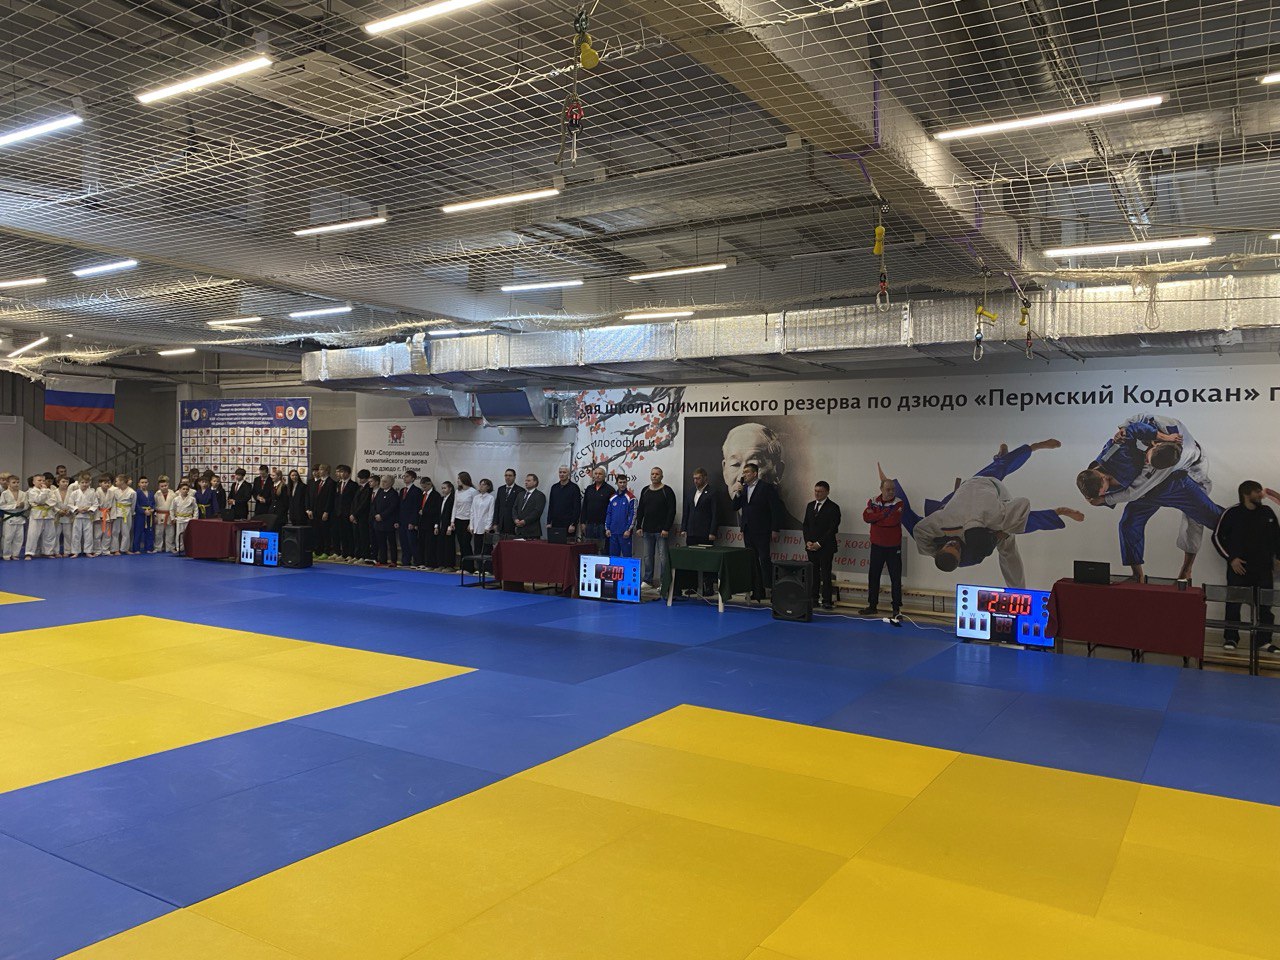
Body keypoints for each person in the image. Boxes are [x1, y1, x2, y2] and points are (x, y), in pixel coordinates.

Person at [900, 440, 1084, 588]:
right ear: (961, 553)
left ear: (941, 548)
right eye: (956, 548)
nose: (953, 543)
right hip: (985, 501)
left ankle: (1012, 455)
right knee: (1009, 544)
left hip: (982, 486)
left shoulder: (944, 522)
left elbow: (918, 530)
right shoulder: (990, 527)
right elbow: (1022, 518)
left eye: (949, 545)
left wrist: (932, 552)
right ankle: (1018, 590)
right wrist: (1002, 533)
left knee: (1002, 469)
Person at [1077, 414, 1220, 582]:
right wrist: (1123, 428)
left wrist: (1104, 500)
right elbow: (1136, 423)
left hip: (1183, 477)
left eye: (1148, 461)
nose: (1146, 462)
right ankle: (1137, 575)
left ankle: (1187, 570)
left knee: (1208, 518)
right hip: (1152, 485)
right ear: (1154, 443)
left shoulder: (1161, 464)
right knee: (1129, 524)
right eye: (1147, 459)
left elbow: (1134, 491)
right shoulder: (1120, 450)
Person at [1216, 480, 1280, 653]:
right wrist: (1231, 559)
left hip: (1264, 570)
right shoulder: (1232, 513)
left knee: (1265, 607)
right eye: (1257, 491)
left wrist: (1278, 558)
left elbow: (1277, 537)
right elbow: (1217, 537)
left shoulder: (1267, 512)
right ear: (1246, 493)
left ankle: (1264, 641)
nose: (1261, 494)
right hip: (1239, 569)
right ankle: (1231, 638)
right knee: (1233, 605)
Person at [721, 423, 802, 529]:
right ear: (724, 471)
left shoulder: (795, 528)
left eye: (753, 464)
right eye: (735, 464)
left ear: (778, 470)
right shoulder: (722, 523)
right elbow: (735, 506)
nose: (742, 475)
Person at [732, 462, 782, 600]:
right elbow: (734, 507)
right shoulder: (744, 489)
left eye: (747, 472)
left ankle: (772, 590)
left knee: (764, 560)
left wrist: (775, 529)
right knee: (752, 561)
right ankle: (757, 590)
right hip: (748, 530)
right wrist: (738, 493)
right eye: (744, 472)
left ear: (755, 473)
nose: (744, 475)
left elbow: (775, 509)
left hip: (762, 529)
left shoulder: (766, 488)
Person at [861, 470, 905, 620]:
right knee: (873, 576)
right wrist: (883, 514)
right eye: (888, 489)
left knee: (895, 578)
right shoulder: (873, 500)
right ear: (881, 489)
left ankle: (896, 609)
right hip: (877, 545)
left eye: (893, 489)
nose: (891, 492)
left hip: (893, 547)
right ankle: (872, 606)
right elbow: (866, 517)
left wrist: (876, 517)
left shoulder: (899, 502)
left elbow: (892, 521)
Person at [635, 466, 677, 589]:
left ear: (661, 476)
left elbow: (672, 511)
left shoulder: (667, 491)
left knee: (663, 557)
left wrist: (666, 528)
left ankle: (664, 582)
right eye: (652, 474)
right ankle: (648, 580)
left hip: (661, 531)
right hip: (647, 530)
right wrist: (638, 526)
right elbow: (640, 510)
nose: (654, 476)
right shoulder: (645, 490)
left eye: (657, 474)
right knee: (647, 557)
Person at [803, 481, 842, 610]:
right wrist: (808, 541)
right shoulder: (810, 506)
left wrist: (819, 543)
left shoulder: (833, 507)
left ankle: (827, 600)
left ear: (827, 492)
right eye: (815, 491)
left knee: (825, 574)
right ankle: (813, 598)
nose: (817, 494)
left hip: (826, 546)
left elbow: (832, 529)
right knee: (813, 573)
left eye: (820, 491)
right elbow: (806, 525)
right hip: (811, 546)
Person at [682, 467, 718, 545]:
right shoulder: (690, 491)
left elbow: (715, 513)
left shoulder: (712, 492)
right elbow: (686, 512)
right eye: (694, 478)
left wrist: (712, 532)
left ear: (705, 478)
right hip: (691, 532)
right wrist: (684, 528)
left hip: (705, 532)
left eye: (698, 478)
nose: (695, 481)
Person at [371, 474, 399, 567]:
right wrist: (376, 514)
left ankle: (393, 561)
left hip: (388, 522)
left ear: (391, 483)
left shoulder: (393, 493)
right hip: (378, 522)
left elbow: (392, 507)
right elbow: (374, 504)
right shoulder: (380, 492)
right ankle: (383, 560)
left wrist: (382, 515)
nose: (382, 483)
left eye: (385, 481)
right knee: (381, 542)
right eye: (382, 481)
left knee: (391, 543)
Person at [580, 466, 614, 543]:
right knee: (589, 547)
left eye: (600, 474)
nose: (597, 475)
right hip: (589, 524)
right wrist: (582, 522)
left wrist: (609, 525)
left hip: (603, 525)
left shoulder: (610, 490)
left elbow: (612, 510)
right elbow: (584, 506)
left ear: (605, 476)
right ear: (593, 475)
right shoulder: (589, 488)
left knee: (602, 548)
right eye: (596, 474)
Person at [68, 473, 97, 558]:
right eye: (82, 482)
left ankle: (88, 551)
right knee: (76, 534)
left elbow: (95, 504)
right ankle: (75, 551)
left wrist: (89, 509)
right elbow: (70, 504)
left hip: (88, 516)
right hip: (77, 516)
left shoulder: (92, 492)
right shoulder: (74, 493)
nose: (84, 484)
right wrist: (77, 509)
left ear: (90, 482)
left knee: (88, 535)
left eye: (86, 482)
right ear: (79, 483)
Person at [547, 465, 582, 538]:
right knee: (554, 543)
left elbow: (577, 507)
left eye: (564, 472)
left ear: (568, 474)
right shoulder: (554, 487)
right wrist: (549, 522)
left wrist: (573, 524)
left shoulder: (574, 488)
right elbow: (551, 506)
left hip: (568, 524)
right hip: (555, 523)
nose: (562, 474)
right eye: (560, 472)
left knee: (567, 543)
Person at [309, 464, 336, 557]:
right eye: (319, 469)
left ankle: (326, 551)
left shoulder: (331, 483)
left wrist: (326, 511)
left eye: (321, 470)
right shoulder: (317, 483)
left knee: (325, 532)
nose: (319, 471)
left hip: (324, 511)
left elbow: (330, 498)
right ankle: (317, 550)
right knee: (316, 531)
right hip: (316, 511)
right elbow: (313, 498)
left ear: (327, 471)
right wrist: (311, 509)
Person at [605, 475, 635, 557]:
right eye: (620, 482)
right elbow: (609, 514)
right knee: (614, 557)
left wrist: (628, 529)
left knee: (627, 557)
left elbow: (633, 515)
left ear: (627, 483)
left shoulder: (631, 498)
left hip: (625, 533)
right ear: (616, 483)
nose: (622, 484)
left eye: (624, 482)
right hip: (613, 532)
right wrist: (607, 528)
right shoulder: (612, 498)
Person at [25, 475, 54, 559]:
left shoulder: (49, 490)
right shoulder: (31, 491)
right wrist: (44, 493)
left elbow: (54, 500)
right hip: (36, 514)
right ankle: (29, 553)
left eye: (43, 480)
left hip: (48, 514)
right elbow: (38, 500)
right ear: (33, 482)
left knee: (49, 534)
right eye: (39, 480)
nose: (42, 482)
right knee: (33, 534)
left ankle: (47, 552)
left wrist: (44, 502)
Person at [332, 465, 357, 560]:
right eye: (340, 472)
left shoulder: (353, 485)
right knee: (340, 534)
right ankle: (342, 553)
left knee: (348, 534)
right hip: (338, 513)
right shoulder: (338, 484)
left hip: (347, 513)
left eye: (342, 472)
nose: (340, 474)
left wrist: (351, 513)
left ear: (347, 473)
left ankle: (350, 553)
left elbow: (353, 501)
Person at [417, 476, 442, 568]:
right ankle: (422, 562)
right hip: (422, 523)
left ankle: (430, 563)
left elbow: (437, 511)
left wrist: (425, 511)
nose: (423, 488)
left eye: (425, 487)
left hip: (430, 523)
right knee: (421, 543)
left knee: (430, 544)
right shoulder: (422, 495)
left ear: (430, 484)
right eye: (422, 487)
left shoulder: (436, 495)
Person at [512, 473, 546, 540]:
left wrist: (525, 521)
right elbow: (514, 508)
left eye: (528, 481)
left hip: (532, 531)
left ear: (535, 482)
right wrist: (515, 519)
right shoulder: (520, 494)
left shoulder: (540, 495)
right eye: (526, 480)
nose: (526, 482)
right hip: (519, 530)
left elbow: (537, 512)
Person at [0, 475, 27, 560]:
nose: (16, 484)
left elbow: (27, 505)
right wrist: (15, 506)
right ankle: (6, 555)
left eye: (18, 482)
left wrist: (23, 506)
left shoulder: (23, 493)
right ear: (8, 483)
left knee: (19, 538)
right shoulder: (5, 493)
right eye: (14, 482)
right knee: (7, 537)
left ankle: (15, 554)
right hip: (9, 517)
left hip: (20, 518)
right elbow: (1, 506)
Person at [452, 472, 476, 564]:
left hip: (467, 520)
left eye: (459, 478)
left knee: (466, 543)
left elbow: (474, 508)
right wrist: (452, 521)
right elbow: (455, 507)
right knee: (461, 544)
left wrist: (471, 523)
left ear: (464, 479)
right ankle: (462, 566)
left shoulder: (472, 491)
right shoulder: (457, 491)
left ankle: (469, 566)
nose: (457, 480)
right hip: (458, 520)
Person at [351, 469, 374, 563]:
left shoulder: (369, 489)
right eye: (359, 478)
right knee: (356, 536)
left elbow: (364, 504)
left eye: (362, 478)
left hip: (363, 516)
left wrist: (355, 514)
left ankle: (364, 556)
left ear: (367, 478)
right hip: (355, 516)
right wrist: (352, 514)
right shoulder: (359, 488)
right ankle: (357, 555)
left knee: (363, 537)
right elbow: (354, 502)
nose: (360, 480)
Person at [469, 478, 496, 560]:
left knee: (486, 549)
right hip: (476, 526)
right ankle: (478, 566)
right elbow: (472, 512)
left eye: (483, 485)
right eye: (480, 484)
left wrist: (488, 527)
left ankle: (487, 566)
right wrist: (471, 525)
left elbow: (491, 513)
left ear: (488, 487)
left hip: (485, 527)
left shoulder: (490, 498)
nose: (481, 486)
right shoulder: (476, 497)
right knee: (477, 548)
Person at [172, 481, 198, 553]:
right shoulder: (176, 499)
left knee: (189, 534)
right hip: (179, 518)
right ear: (180, 490)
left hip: (189, 518)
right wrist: (173, 518)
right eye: (183, 489)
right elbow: (172, 509)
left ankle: (189, 548)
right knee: (178, 534)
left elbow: (196, 509)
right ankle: (179, 548)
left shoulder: (192, 499)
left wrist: (195, 518)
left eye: (187, 489)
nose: (185, 490)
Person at [435, 480, 456, 569]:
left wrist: (449, 527)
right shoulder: (441, 499)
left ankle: (449, 565)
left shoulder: (452, 499)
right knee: (441, 545)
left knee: (448, 546)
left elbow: (451, 514)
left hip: (448, 526)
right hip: (441, 525)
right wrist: (436, 526)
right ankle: (441, 564)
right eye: (442, 488)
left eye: (445, 488)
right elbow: (438, 514)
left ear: (450, 489)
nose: (443, 490)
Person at [132, 476, 156, 555]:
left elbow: (153, 503)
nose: (144, 484)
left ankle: (149, 548)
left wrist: (152, 509)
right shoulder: (136, 493)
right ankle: (136, 549)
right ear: (139, 484)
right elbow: (136, 505)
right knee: (138, 531)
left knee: (149, 531)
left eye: (145, 482)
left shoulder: (151, 493)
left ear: (148, 483)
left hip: (150, 514)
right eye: (142, 482)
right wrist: (143, 511)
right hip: (140, 515)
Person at [493, 468, 520, 537]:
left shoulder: (520, 490)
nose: (507, 477)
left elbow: (519, 508)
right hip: (501, 523)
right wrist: (495, 522)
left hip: (513, 523)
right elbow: (497, 506)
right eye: (506, 475)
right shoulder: (501, 489)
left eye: (510, 475)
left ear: (514, 477)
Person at [93, 475, 115, 557]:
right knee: (97, 534)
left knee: (107, 534)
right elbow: (95, 505)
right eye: (105, 483)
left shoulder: (112, 493)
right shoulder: (96, 493)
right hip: (99, 514)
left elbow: (114, 505)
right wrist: (96, 517)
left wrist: (112, 516)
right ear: (100, 484)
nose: (107, 484)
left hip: (107, 514)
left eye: (108, 483)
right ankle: (97, 550)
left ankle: (105, 550)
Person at [152, 476, 175, 555]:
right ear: (159, 486)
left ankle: (170, 547)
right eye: (162, 486)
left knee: (170, 532)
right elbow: (154, 505)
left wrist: (174, 516)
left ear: (168, 485)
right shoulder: (156, 494)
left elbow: (175, 506)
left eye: (165, 485)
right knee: (158, 532)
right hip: (159, 514)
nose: (164, 487)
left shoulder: (173, 494)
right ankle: (157, 547)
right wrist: (155, 515)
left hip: (169, 514)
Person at [52, 476, 73, 557]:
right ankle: (56, 551)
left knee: (68, 534)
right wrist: (58, 511)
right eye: (63, 481)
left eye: (67, 482)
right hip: (57, 515)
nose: (65, 483)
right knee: (56, 534)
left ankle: (67, 551)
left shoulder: (72, 492)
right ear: (58, 483)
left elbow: (74, 503)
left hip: (68, 515)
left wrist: (69, 510)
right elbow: (52, 504)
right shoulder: (53, 492)